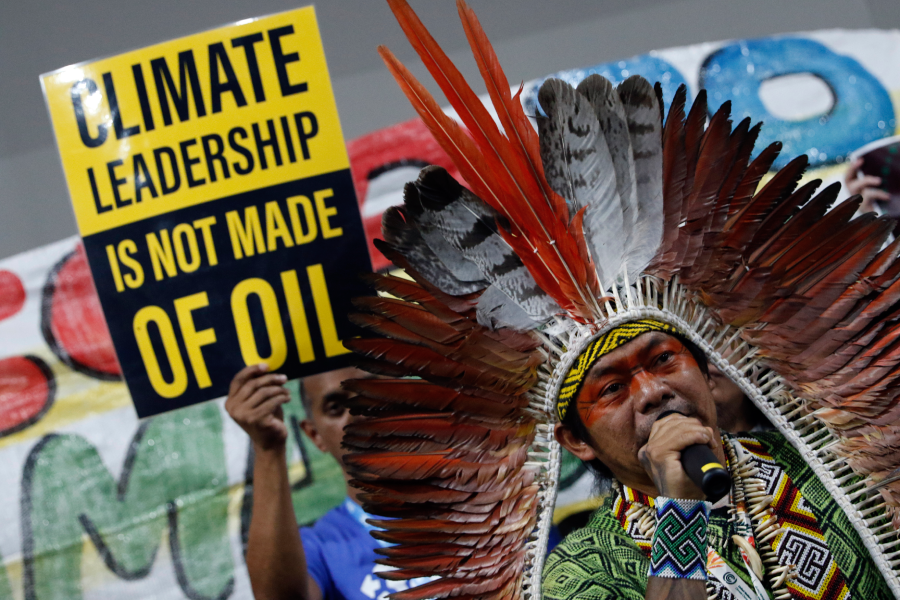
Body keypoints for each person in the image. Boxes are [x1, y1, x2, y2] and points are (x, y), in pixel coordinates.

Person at [542, 323, 891, 599]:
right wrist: (681, 509)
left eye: (663, 359)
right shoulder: (580, 569)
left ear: (707, 374)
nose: (652, 392)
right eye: (612, 388)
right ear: (576, 441)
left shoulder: (827, 458)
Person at [226, 364, 428, 600]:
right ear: (315, 435)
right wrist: (268, 447)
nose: (358, 413)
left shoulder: (467, 498)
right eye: (336, 408)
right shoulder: (319, 548)